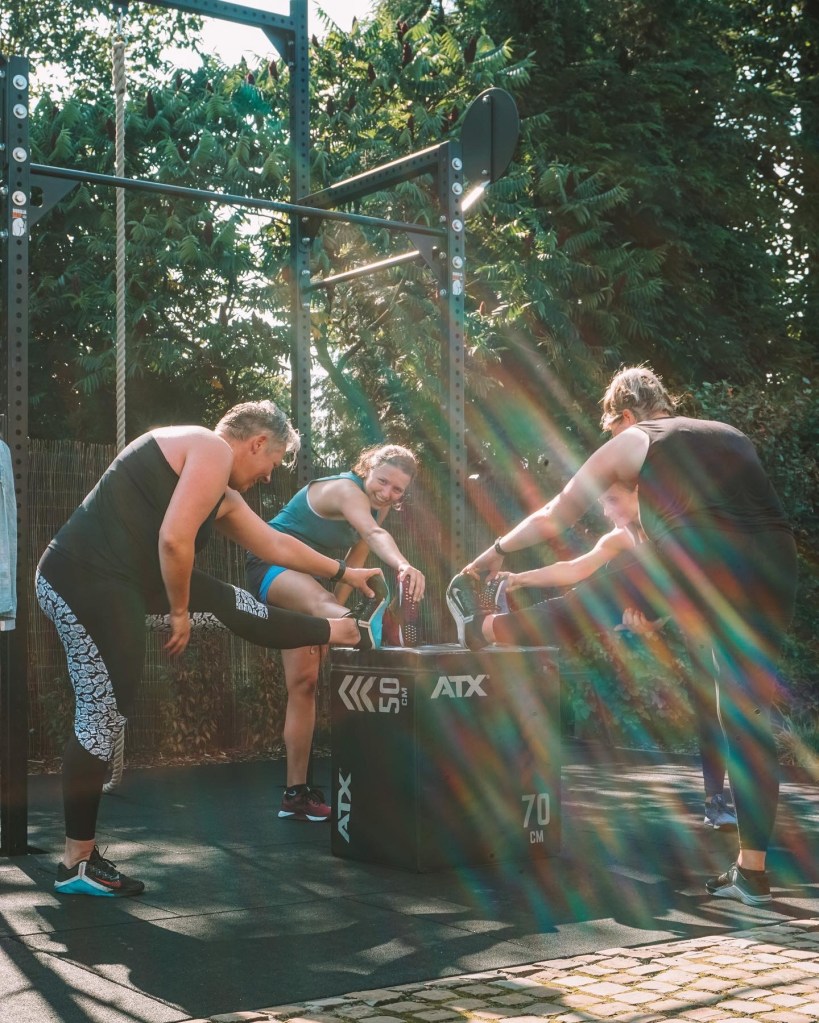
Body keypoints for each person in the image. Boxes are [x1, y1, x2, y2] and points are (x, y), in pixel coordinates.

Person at [449, 366, 797, 906]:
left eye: (610, 429)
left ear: (626, 416)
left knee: (588, 603)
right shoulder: (729, 433)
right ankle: (751, 874)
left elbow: (556, 514)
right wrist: (665, 608)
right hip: (774, 567)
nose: (611, 441)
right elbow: (728, 529)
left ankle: (483, 627)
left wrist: (494, 552)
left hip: (701, 555)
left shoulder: (637, 439)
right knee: (747, 716)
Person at [36, 400, 384, 897]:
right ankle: (76, 863)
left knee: (229, 600)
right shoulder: (209, 448)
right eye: (273, 461)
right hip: (83, 581)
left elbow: (274, 545)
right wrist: (179, 610)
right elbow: (174, 540)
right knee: (101, 715)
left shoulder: (218, 486)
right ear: (257, 442)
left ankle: (338, 632)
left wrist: (345, 571)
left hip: (120, 582)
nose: (269, 476)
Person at [488, 480, 736, 830]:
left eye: (613, 500)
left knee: (713, 702)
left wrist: (658, 623)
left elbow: (689, 584)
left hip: (696, 612)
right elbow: (575, 568)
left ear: (640, 494)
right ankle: (496, 625)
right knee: (569, 612)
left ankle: (716, 802)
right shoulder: (620, 538)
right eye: (603, 502)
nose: (606, 511)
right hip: (626, 605)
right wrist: (519, 579)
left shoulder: (676, 530)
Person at [246, 443, 426, 823]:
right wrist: (402, 565)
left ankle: (295, 795)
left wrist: (333, 623)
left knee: (304, 684)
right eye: (382, 481)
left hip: (316, 582)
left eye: (398, 490)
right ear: (367, 467)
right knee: (335, 612)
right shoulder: (346, 490)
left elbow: (356, 561)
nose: (387, 493)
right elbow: (372, 533)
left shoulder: (379, 503)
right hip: (273, 564)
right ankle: (373, 631)